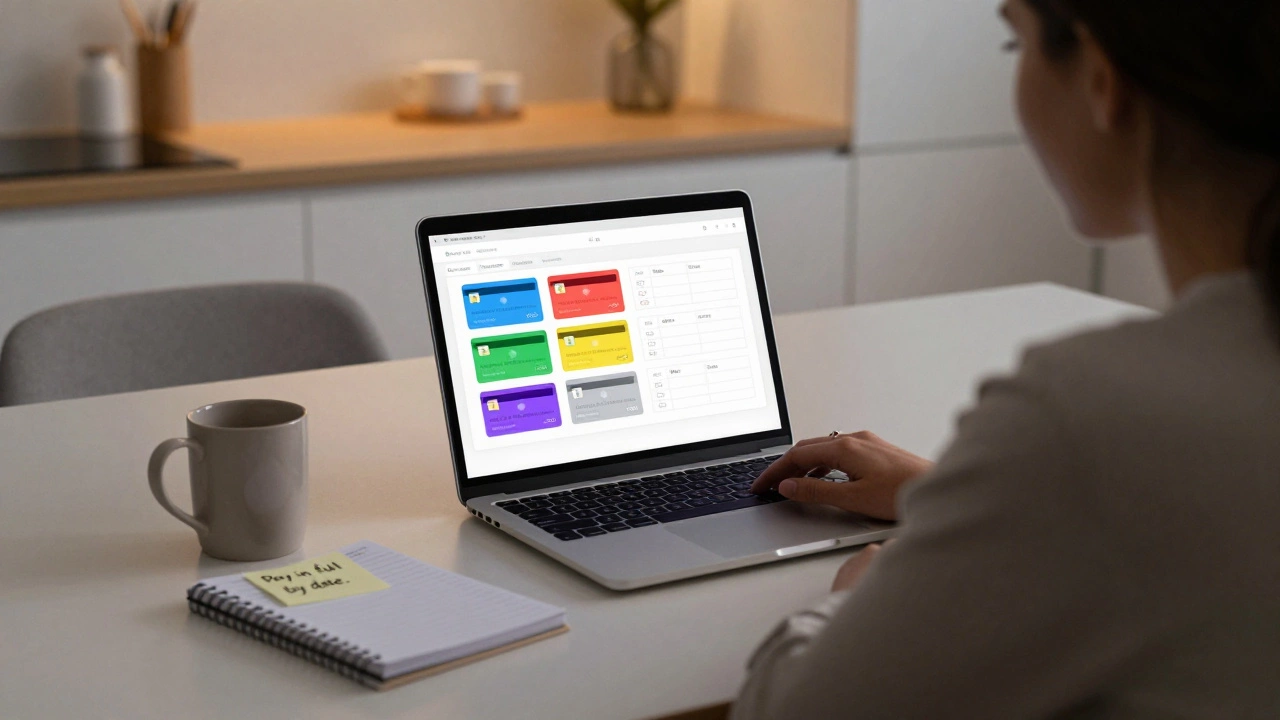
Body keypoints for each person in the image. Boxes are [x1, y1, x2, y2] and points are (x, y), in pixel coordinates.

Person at [732, 1, 1280, 717]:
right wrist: (964, 501)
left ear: (1100, 81)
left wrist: (855, 601)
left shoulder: (1089, 416)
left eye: (1010, 43)